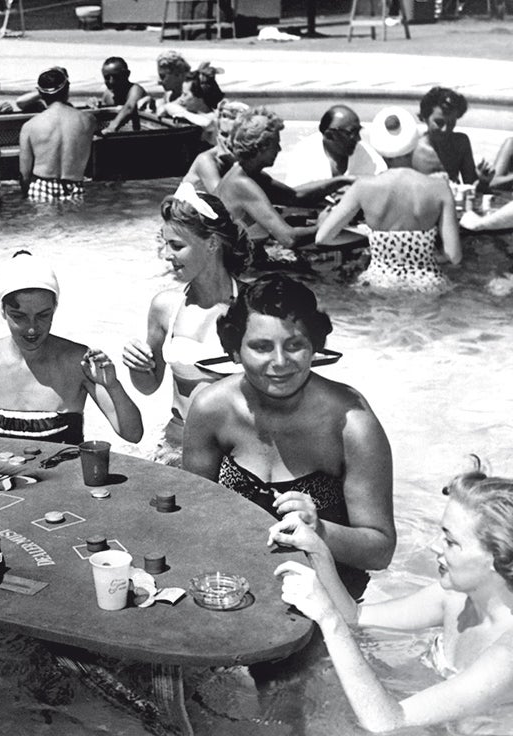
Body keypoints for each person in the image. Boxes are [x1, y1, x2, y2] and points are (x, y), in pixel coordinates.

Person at [181, 274, 395, 596]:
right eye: (261, 347)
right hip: (235, 581)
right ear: (235, 352)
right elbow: (194, 513)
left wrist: (319, 529)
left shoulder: (351, 424)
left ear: (314, 348)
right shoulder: (212, 409)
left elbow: (380, 551)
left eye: (295, 345)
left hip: (329, 590)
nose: (280, 362)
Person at [273, 464, 513, 732]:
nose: (436, 546)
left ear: (496, 559)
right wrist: (317, 549)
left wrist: (328, 619)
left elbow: (385, 722)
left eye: (451, 542)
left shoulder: (507, 656)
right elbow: (355, 617)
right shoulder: (455, 597)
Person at [0, 251, 143, 449]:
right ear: (3, 311)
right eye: (19, 317)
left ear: (54, 309)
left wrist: (113, 386)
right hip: (3, 474)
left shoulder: (77, 361)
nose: (32, 328)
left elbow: (133, 434)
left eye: (43, 315)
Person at [121, 183, 249, 467]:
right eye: (165, 244)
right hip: (176, 447)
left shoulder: (254, 308)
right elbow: (148, 386)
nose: (166, 255)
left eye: (177, 246)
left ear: (212, 243)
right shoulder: (165, 307)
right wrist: (137, 366)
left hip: (240, 453)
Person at [317, 107, 460, 293]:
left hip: (378, 285)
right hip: (427, 285)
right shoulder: (439, 188)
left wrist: (372, 239)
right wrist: (423, 254)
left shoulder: (362, 187)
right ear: (413, 143)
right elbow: (454, 256)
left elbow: (323, 238)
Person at [216, 107, 352, 249]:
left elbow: (295, 196)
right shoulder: (242, 184)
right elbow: (289, 238)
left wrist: (342, 181)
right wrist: (323, 225)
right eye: (276, 144)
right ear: (261, 147)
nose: (279, 149)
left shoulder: (249, 175)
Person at [19, 67, 95, 203]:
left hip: (42, 186)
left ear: (40, 93)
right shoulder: (88, 121)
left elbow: (24, 174)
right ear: (67, 88)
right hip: (74, 186)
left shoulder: (29, 126)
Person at [283, 104, 387, 186]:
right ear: (330, 135)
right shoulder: (304, 152)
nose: (358, 138)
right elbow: (295, 194)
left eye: (358, 131)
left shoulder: (368, 155)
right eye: (351, 133)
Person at [411, 87, 493, 189]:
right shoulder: (412, 148)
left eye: (451, 123)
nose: (445, 129)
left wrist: (483, 181)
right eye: (439, 123)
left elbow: (470, 185)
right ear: (425, 118)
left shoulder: (460, 143)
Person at [182, 99, 248, 193]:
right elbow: (220, 196)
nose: (227, 141)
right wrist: (236, 167)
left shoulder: (241, 159)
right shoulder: (205, 160)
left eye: (234, 136)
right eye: (224, 135)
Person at [158, 62, 224, 144]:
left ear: (199, 97)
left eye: (185, 94)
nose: (181, 98)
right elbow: (161, 110)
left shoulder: (215, 117)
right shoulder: (193, 113)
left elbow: (208, 124)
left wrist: (182, 113)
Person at [97, 57, 149, 136]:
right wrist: (93, 105)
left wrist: (112, 127)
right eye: (107, 78)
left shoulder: (135, 90)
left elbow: (129, 107)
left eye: (116, 77)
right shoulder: (108, 94)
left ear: (127, 74)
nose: (111, 81)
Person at [153, 51, 191, 119]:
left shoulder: (192, 95)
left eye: (163, 77)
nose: (159, 81)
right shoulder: (169, 94)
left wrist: (164, 107)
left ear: (179, 75)